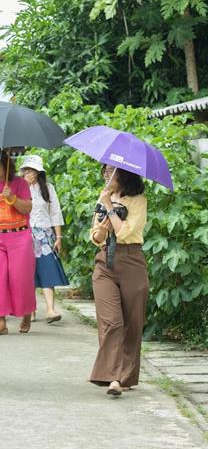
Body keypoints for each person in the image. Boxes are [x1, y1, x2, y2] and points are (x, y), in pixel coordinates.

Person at [89, 164, 148, 396]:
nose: (106, 175)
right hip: (105, 261)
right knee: (112, 321)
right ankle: (112, 376)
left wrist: (109, 209)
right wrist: (101, 231)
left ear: (124, 175)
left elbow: (126, 233)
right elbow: (95, 235)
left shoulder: (138, 201)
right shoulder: (103, 197)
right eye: (105, 171)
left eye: (111, 171)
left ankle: (125, 377)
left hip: (131, 259)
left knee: (132, 324)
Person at [0, 149, 35, 335]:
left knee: (20, 278)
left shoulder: (20, 183)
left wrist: (12, 198)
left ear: (6, 165)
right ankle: (1, 320)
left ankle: (26, 313)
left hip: (19, 236)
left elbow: (27, 208)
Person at [20, 155, 69, 323]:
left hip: (45, 234)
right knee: (28, 273)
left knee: (47, 269)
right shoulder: (19, 189)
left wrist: (58, 236)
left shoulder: (48, 188)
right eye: (25, 170)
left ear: (37, 172)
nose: (27, 173)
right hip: (24, 233)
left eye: (30, 170)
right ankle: (30, 310)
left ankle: (50, 309)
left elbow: (55, 212)